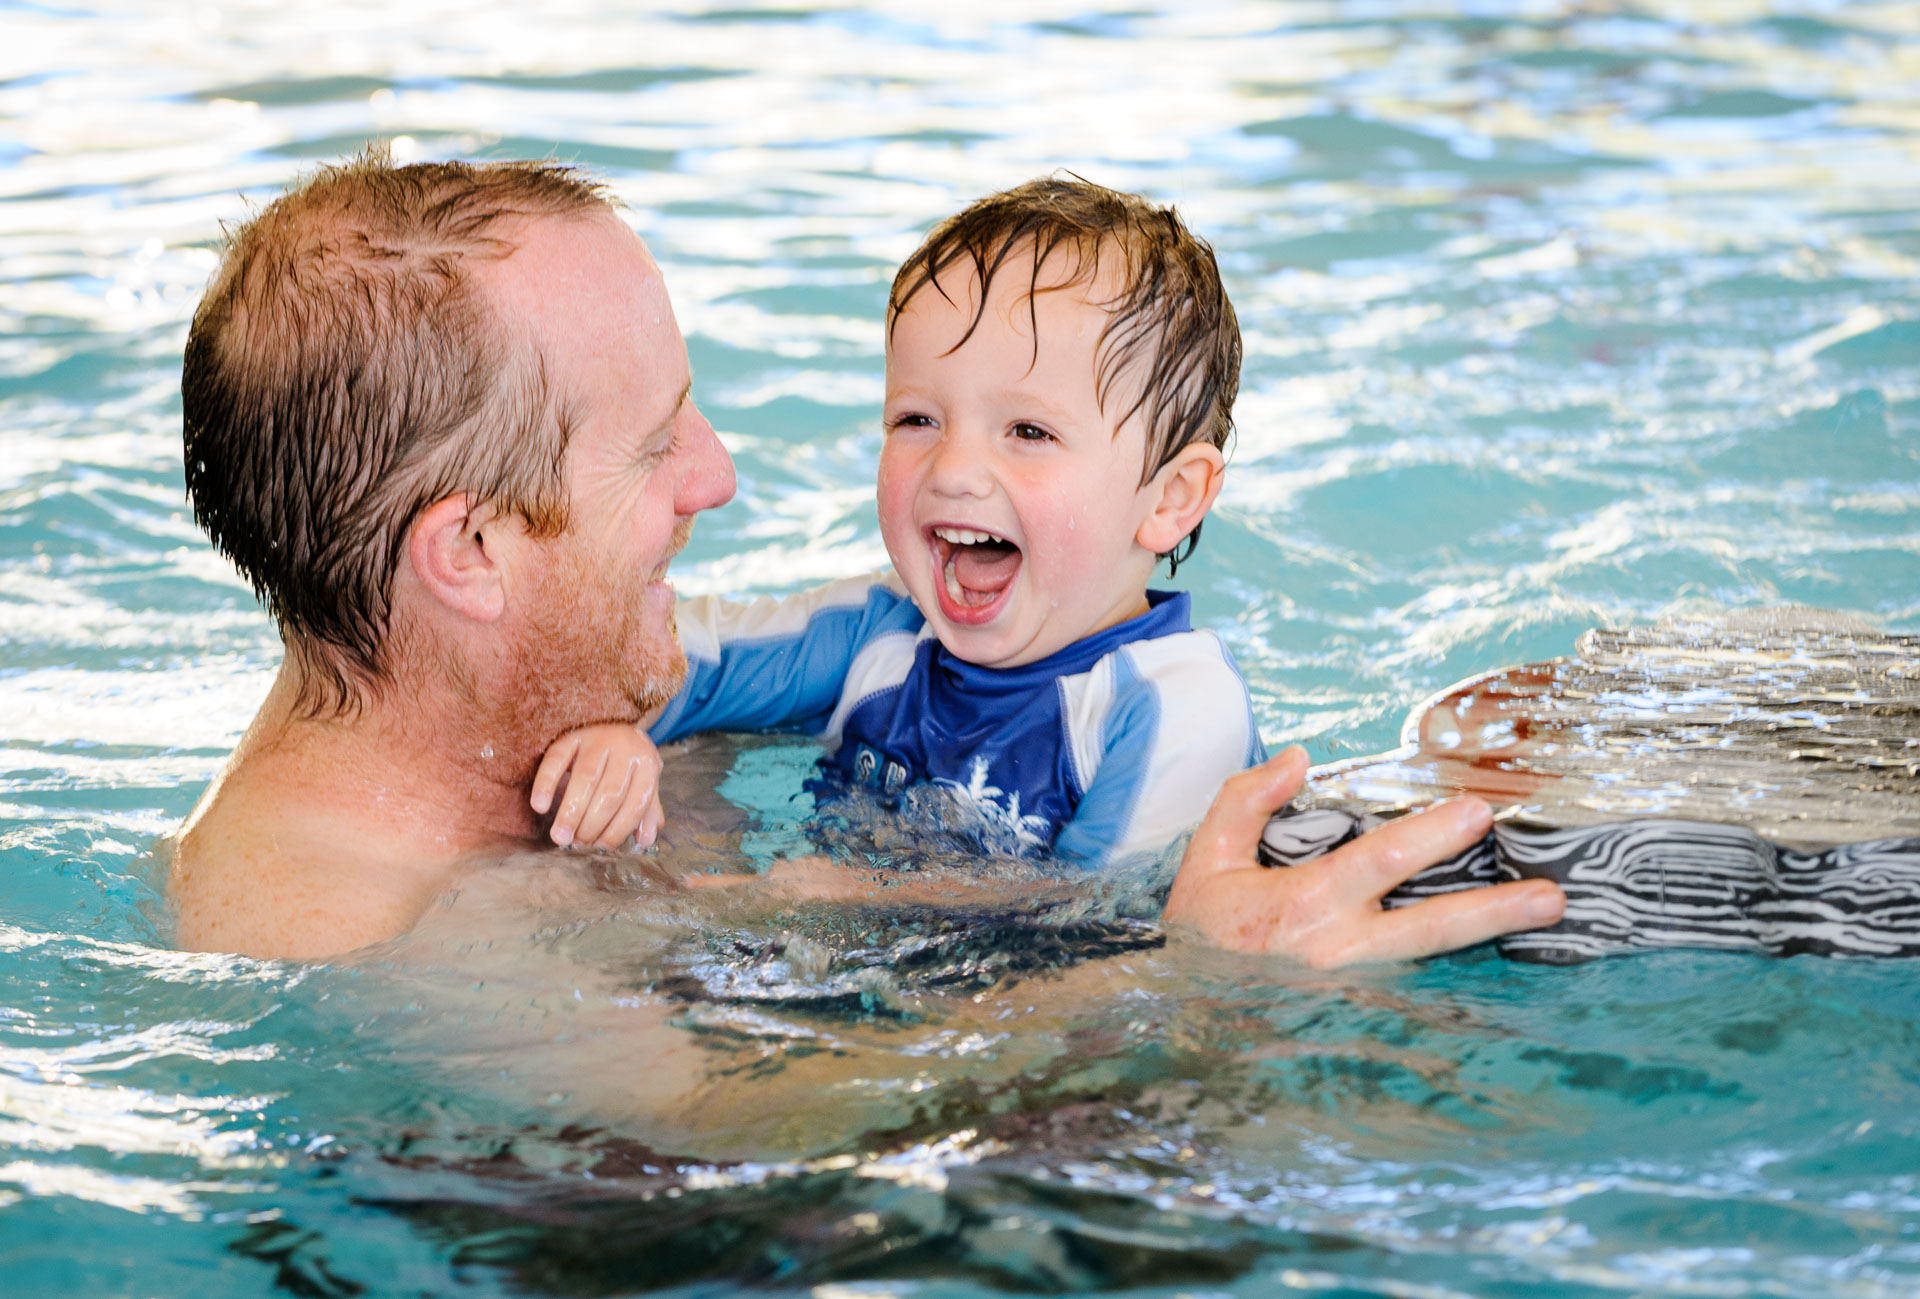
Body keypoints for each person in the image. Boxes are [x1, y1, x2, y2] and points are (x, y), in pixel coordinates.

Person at [167, 149, 1564, 963]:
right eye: (658, 444)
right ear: (469, 548)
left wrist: (643, 749)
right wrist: (1213, 992)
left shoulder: (1157, 699)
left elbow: (1093, 910)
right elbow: (772, 1146)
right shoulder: (390, 940)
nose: (720, 472)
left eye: (1027, 429)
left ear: (1170, 495)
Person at [534, 178, 1263, 868]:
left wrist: (847, 903)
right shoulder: (878, 633)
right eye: (917, 419)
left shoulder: (1175, 707)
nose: (952, 470)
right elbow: (648, 666)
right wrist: (615, 735)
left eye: (1028, 432)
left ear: (1171, 498)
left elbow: (1101, 955)